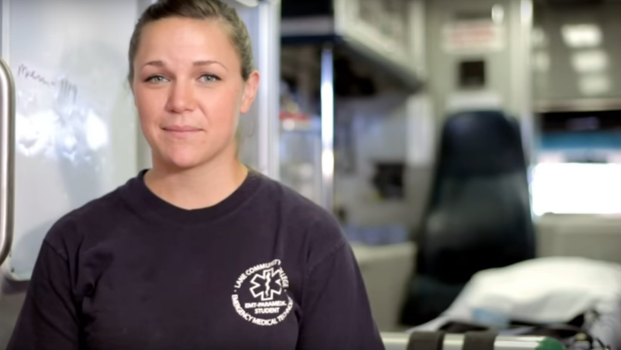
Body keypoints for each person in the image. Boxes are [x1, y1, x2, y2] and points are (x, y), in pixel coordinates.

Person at [7, 0, 385, 349]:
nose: (180, 103)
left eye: (207, 77)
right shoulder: (75, 242)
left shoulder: (309, 238)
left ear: (247, 91)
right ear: (134, 89)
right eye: (157, 78)